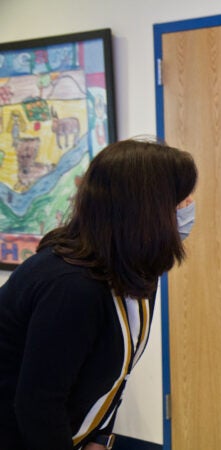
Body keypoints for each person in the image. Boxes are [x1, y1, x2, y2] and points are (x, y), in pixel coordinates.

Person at [0, 138, 198, 450]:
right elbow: (38, 406)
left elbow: (116, 373)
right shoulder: (71, 286)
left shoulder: (135, 270)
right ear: (147, 210)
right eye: (182, 198)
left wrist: (100, 436)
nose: (189, 206)